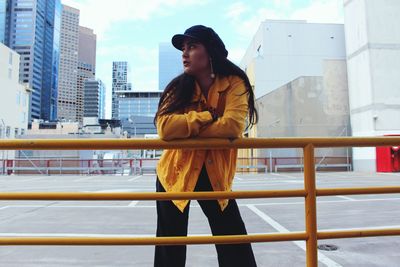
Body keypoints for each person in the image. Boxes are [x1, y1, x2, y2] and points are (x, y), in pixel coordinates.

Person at [154, 25, 258, 267]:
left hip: (214, 172)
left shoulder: (234, 83)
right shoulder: (178, 88)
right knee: (170, 244)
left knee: (233, 240)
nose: (184, 53)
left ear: (209, 52)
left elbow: (232, 126)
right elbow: (165, 128)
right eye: (183, 48)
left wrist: (187, 130)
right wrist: (206, 117)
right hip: (175, 172)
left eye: (192, 47)